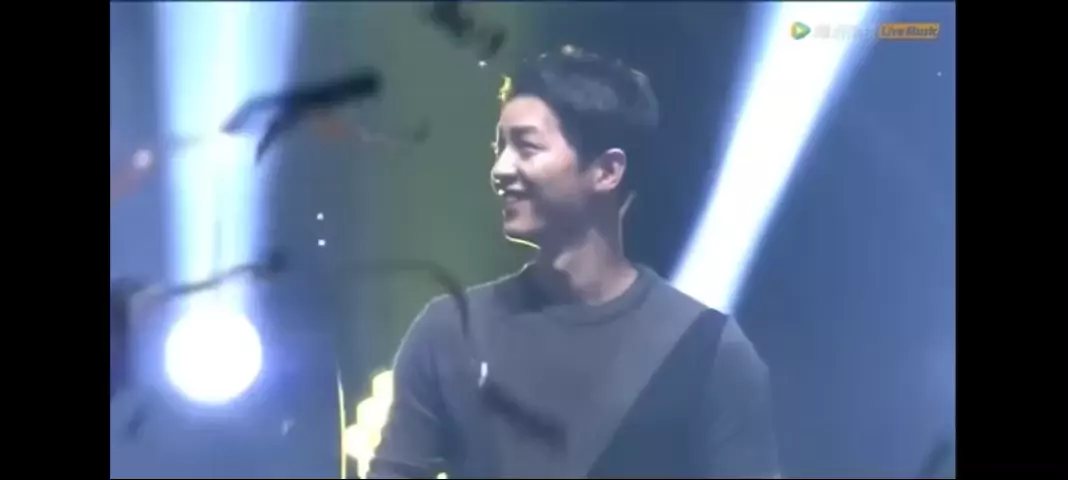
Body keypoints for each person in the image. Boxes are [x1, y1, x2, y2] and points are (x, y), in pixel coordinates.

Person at [369, 46, 779, 479]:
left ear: (607, 171)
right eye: (500, 147)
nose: (500, 169)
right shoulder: (450, 332)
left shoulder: (707, 350)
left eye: (526, 147)